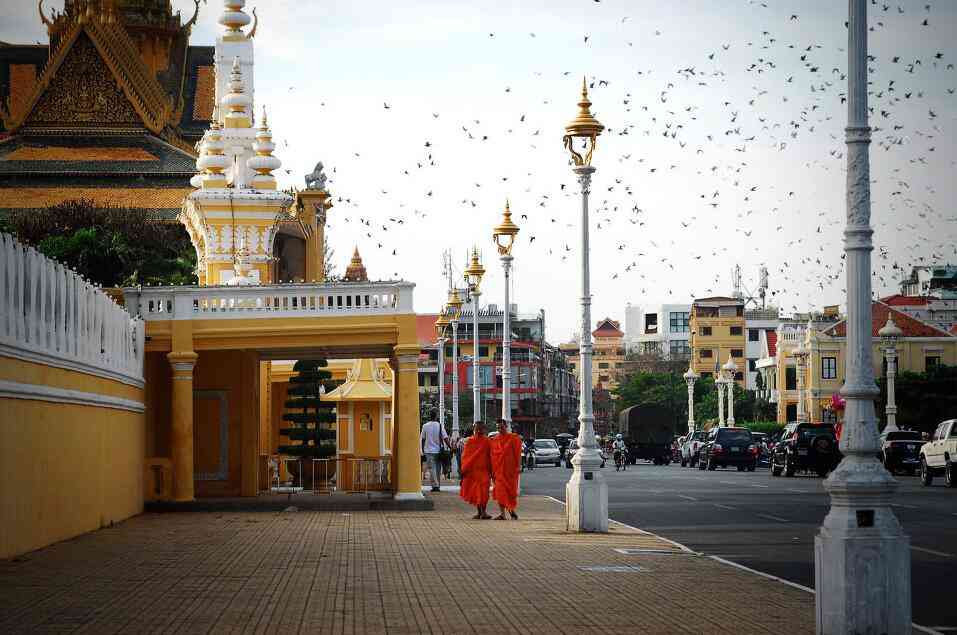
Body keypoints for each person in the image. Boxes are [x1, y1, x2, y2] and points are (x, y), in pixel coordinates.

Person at [459, 422, 492, 519]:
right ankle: (480, 512)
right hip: (473, 471)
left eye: (481, 429)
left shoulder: (487, 441)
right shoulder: (470, 441)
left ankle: (484, 512)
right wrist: (464, 469)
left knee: (484, 492)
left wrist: (492, 469)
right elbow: (465, 456)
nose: (478, 431)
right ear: (473, 429)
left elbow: (492, 456)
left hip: (484, 470)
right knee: (476, 492)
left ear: (484, 429)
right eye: (476, 429)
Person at [490, 418, 522, 520]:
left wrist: (518, 466)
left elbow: (517, 454)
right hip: (498, 470)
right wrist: (492, 470)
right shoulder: (495, 440)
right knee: (500, 491)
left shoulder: (513, 438)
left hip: (510, 470)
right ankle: (503, 514)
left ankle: (511, 510)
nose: (500, 429)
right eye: (498, 428)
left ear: (506, 426)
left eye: (501, 427)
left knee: (509, 492)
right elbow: (493, 456)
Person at [420, 411, 450, 492]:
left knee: (431, 468)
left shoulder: (425, 426)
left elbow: (423, 439)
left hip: (428, 451)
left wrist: (422, 449)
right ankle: (437, 485)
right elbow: (445, 437)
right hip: (438, 451)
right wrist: (450, 447)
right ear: (436, 416)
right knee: (437, 469)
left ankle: (435, 486)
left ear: (429, 416)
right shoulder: (440, 426)